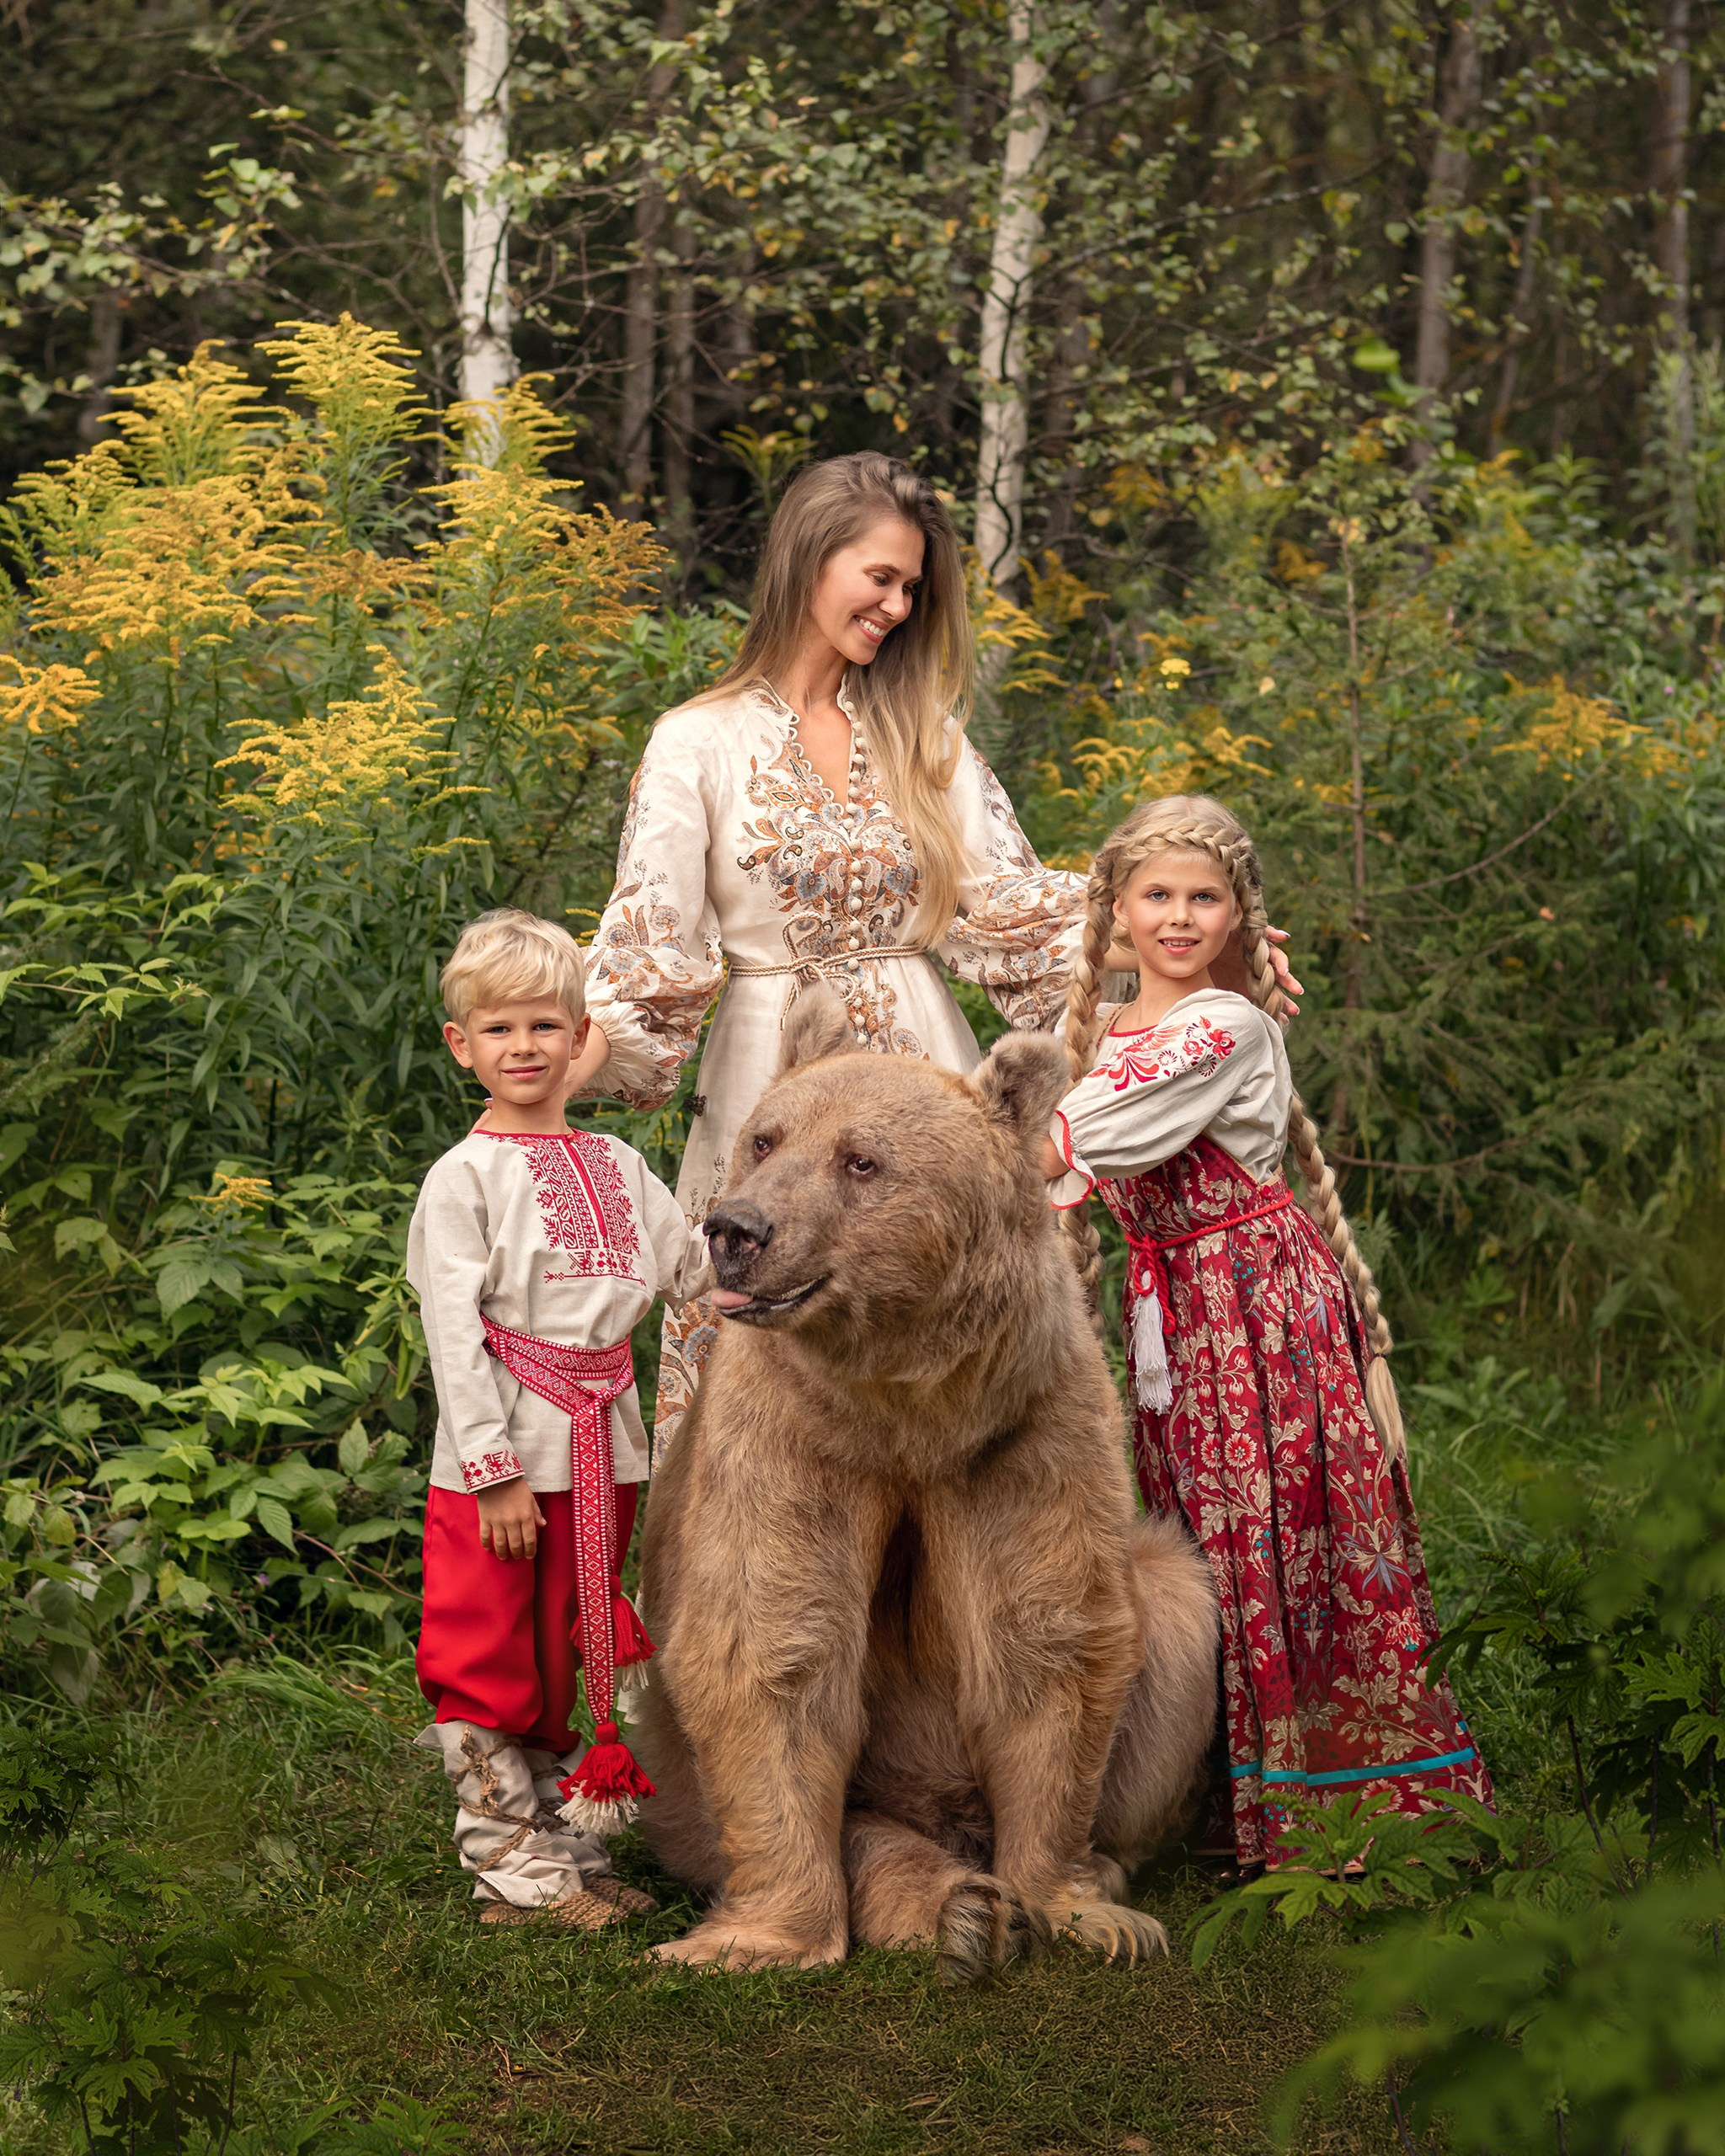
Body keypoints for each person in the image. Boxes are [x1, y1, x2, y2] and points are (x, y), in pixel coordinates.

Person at [572, 450, 1295, 1456]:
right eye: (881, 577)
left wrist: (1194, 945)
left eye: (913, 586)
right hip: (769, 1078)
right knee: (766, 1388)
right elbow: (653, 940)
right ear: (810, 559)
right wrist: (564, 1051)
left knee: (945, 1352)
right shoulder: (697, 742)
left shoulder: (926, 736)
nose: (899, 605)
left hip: (926, 1077)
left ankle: (960, 1601)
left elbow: (1007, 907)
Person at [1043, 795, 1493, 1874]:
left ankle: (1330, 1799)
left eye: (1207, 896)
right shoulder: (1108, 1028)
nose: (1181, 917)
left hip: (1254, 1308)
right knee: (1191, 1532)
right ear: (1119, 910)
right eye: (1157, 895)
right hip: (1174, 1316)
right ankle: (1214, 1794)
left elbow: (1075, 1133)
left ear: (1242, 913)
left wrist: (966, 1136)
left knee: (1274, 1531)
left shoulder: (1222, 1025)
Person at [407, 909, 712, 1927]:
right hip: (500, 1465)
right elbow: (455, 1333)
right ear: (462, 1045)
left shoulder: (618, 1164)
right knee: (490, 1648)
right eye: (499, 1030)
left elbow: (692, 1270)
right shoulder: (463, 1180)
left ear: (581, 1036)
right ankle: (507, 1860)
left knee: (571, 1646)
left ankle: (563, 1844)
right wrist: (490, 1467)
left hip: (603, 1450)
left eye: (545, 1026)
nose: (524, 1047)